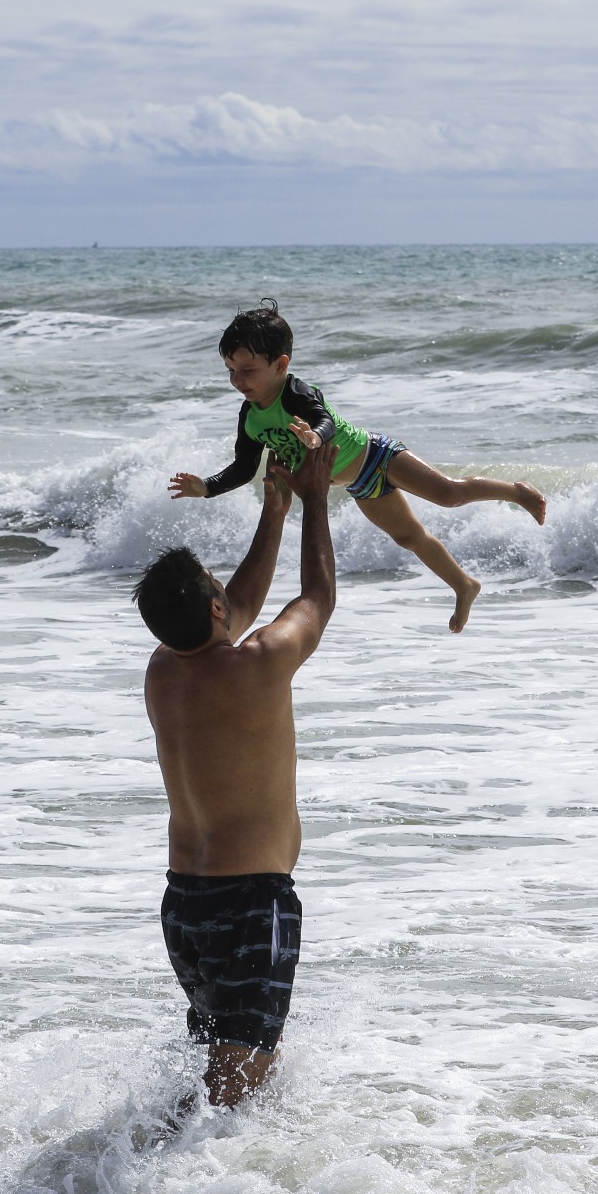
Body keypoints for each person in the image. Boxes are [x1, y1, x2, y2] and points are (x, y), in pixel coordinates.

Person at [134, 441, 338, 1106]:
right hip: (250, 905)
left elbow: (237, 608)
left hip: (185, 910)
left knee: (218, 1084)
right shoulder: (258, 667)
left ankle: (155, 1187)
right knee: (238, 1096)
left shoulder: (164, 671)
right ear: (215, 609)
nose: (226, 590)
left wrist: (273, 507)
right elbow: (317, 596)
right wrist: (313, 499)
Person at [168, 299, 547, 634]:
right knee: (409, 538)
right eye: (231, 370)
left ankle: (517, 491)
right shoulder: (250, 418)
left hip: (376, 456)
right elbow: (245, 466)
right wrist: (208, 486)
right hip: (359, 484)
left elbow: (324, 419)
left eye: (247, 370)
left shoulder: (297, 393)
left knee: (449, 494)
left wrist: (315, 437)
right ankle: (464, 585)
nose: (237, 380)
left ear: (281, 364)